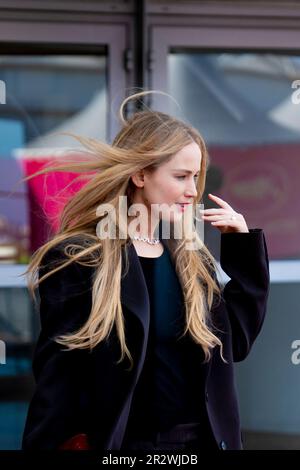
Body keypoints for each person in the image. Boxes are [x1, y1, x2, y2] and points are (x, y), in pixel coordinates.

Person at [22, 90, 269, 451]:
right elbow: (58, 377)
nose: (192, 192)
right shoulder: (79, 258)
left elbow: (236, 344)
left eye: (195, 177)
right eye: (181, 176)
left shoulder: (189, 258)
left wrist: (243, 248)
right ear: (140, 175)